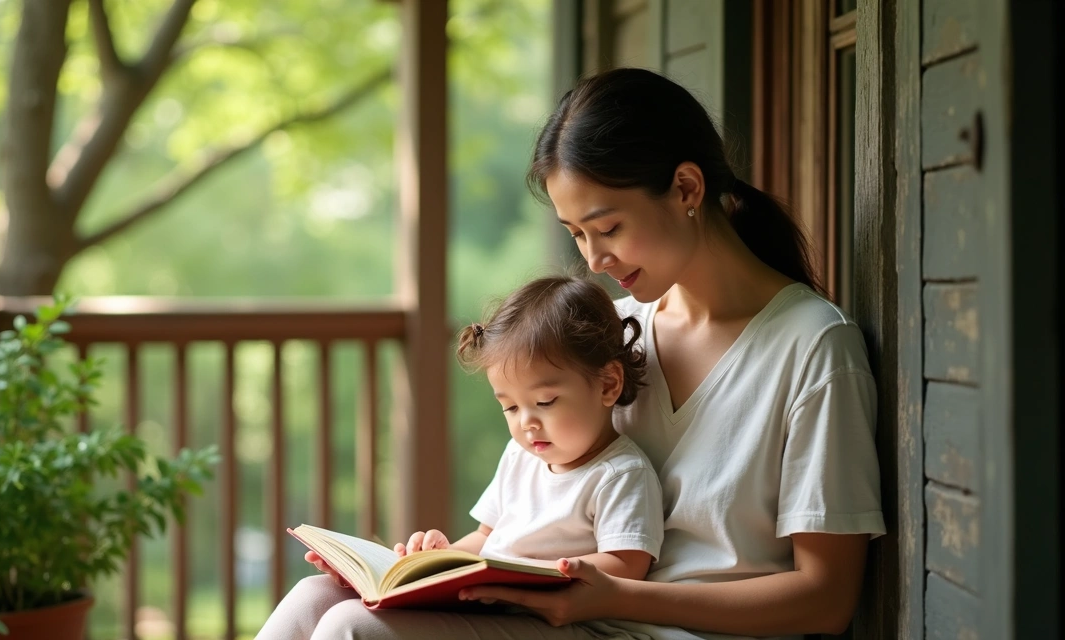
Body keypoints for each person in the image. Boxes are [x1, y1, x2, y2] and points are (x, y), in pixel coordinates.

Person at [261, 66, 885, 640]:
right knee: (318, 599)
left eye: (608, 227)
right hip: (574, 616)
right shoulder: (609, 330)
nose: (593, 260)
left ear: (686, 187)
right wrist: (415, 574)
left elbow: (825, 600)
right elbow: (531, 507)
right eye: (577, 234)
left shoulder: (814, 349)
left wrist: (610, 597)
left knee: (355, 633)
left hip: (658, 629)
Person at [258, 275, 667, 639]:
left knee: (353, 625)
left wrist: (533, 574)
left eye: (545, 401)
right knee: (315, 594)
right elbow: (486, 538)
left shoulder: (619, 473)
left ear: (608, 384)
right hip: (493, 605)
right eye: (510, 407)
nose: (527, 423)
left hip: (567, 623)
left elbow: (626, 566)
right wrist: (443, 558)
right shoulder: (520, 457)